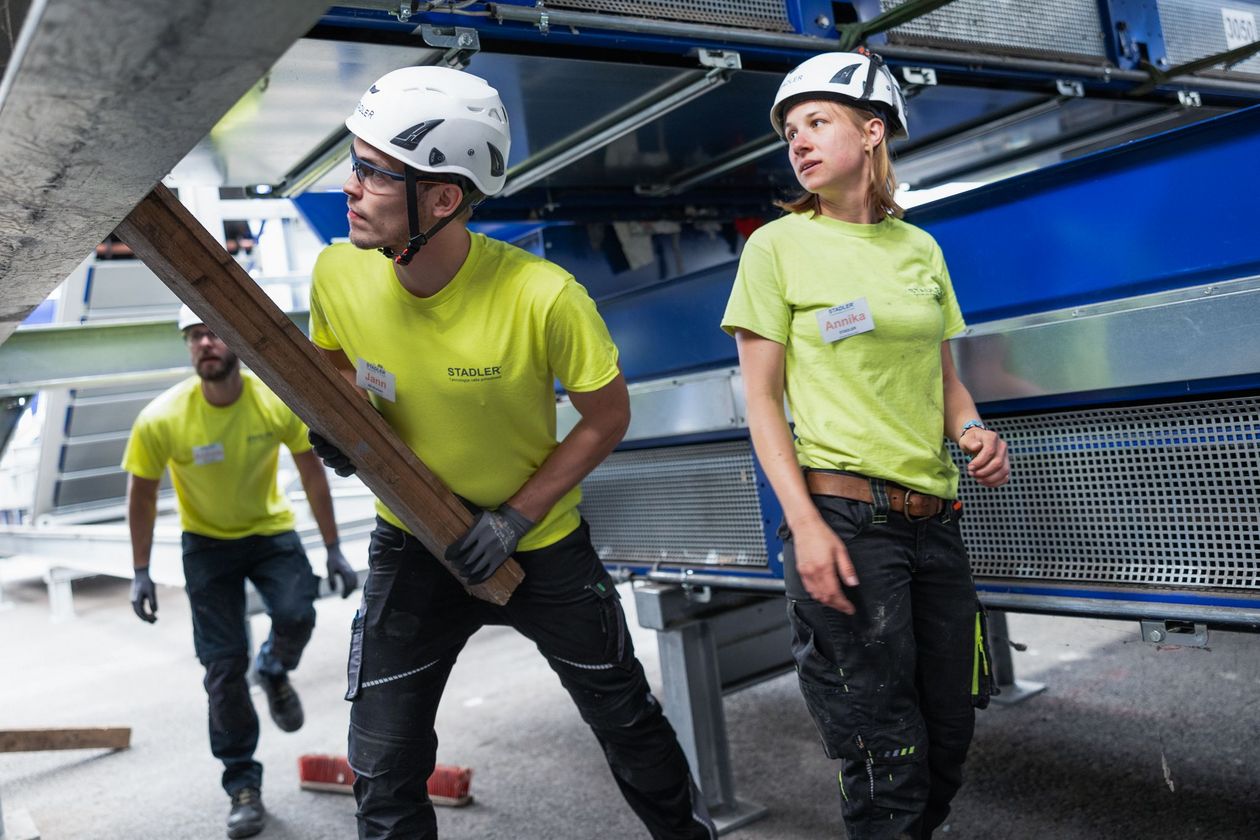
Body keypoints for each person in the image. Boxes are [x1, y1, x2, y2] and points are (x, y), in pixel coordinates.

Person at [304, 66, 715, 840]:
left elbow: (607, 417)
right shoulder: (336, 273)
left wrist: (514, 519)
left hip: (541, 544)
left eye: (373, 172)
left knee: (626, 720)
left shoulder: (543, 296)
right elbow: (334, 366)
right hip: (414, 538)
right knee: (382, 762)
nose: (349, 187)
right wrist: (341, 426)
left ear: (443, 199)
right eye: (353, 164)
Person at [720, 51, 1011, 839]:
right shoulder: (776, 247)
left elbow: (944, 381)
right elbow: (762, 403)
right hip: (845, 523)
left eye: (818, 122)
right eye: (790, 131)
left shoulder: (920, 250)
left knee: (949, 736)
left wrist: (973, 431)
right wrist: (805, 526)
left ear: (872, 132)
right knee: (887, 757)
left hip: (935, 524)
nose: (799, 141)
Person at [123, 304, 358, 839]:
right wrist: (140, 570)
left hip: (269, 532)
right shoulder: (162, 418)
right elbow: (141, 494)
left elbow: (312, 473)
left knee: (297, 614)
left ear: (234, 338)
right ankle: (242, 787)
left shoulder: (272, 401)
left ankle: (273, 668)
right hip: (206, 545)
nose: (204, 343)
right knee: (224, 670)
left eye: (213, 331)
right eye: (194, 336)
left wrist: (333, 548)